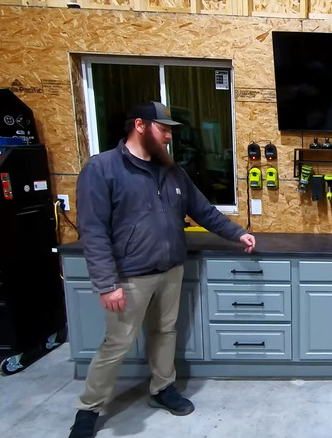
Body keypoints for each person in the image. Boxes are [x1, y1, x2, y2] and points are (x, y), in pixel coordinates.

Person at [68, 102, 255, 438]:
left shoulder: (172, 171)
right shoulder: (103, 169)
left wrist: (238, 233)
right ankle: (89, 408)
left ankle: (162, 388)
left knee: (165, 332)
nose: (169, 136)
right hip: (129, 276)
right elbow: (93, 230)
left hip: (170, 270)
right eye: (164, 128)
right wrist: (106, 283)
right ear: (140, 125)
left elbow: (203, 211)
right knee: (117, 343)